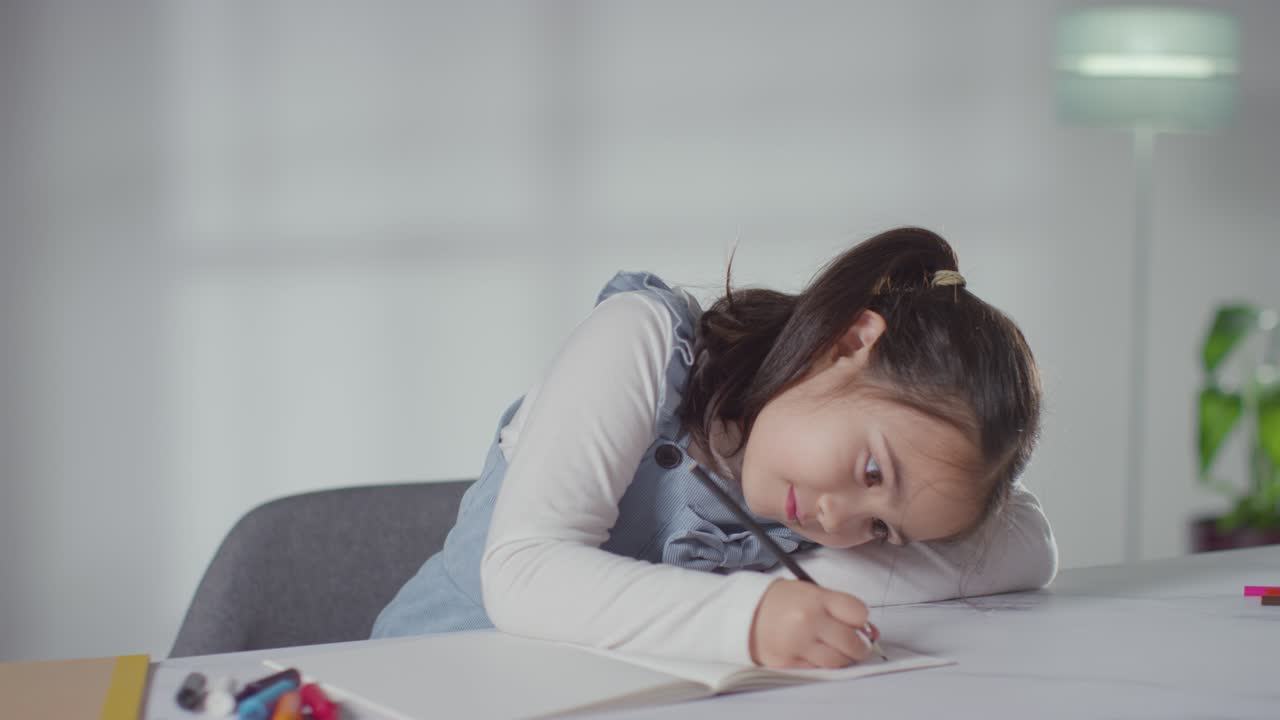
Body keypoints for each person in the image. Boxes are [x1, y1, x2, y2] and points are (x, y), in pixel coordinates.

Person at [372, 226, 1057, 669]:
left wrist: (792, 594)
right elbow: (525, 573)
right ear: (845, 343)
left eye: (882, 528)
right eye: (872, 469)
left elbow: (1028, 546)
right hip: (427, 681)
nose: (838, 522)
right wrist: (751, 613)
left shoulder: (817, 493)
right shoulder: (643, 341)